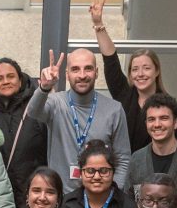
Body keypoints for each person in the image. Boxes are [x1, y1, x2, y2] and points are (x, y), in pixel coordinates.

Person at [89, 0, 177, 152]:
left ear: (157, 71)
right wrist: (98, 23)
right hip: (122, 163)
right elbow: (110, 59)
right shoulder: (124, 94)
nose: (140, 74)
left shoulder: (170, 106)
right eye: (135, 69)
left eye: (146, 68)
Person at [27, 48, 130, 191]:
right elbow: (33, 112)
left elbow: (123, 158)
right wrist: (44, 87)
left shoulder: (114, 109)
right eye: (75, 69)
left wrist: (113, 193)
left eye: (88, 68)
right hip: (62, 196)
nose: (82, 75)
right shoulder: (56, 103)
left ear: (96, 72)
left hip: (100, 195)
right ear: (67, 74)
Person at [0, 57, 48, 208]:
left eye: (10, 76)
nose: (5, 81)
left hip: (34, 196)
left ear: (20, 80)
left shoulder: (37, 108)